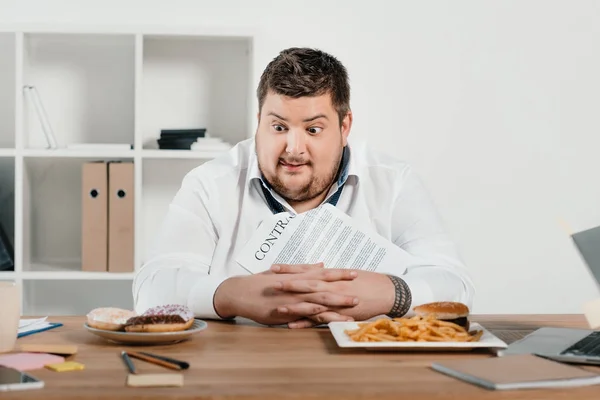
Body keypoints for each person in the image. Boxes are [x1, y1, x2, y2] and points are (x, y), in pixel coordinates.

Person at [132, 47, 474, 328]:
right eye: (279, 127)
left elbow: (456, 286)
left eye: (313, 130)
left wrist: (392, 292)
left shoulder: (393, 181)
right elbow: (150, 290)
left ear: (344, 127)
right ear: (259, 122)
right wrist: (231, 294)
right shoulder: (209, 183)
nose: (293, 149)